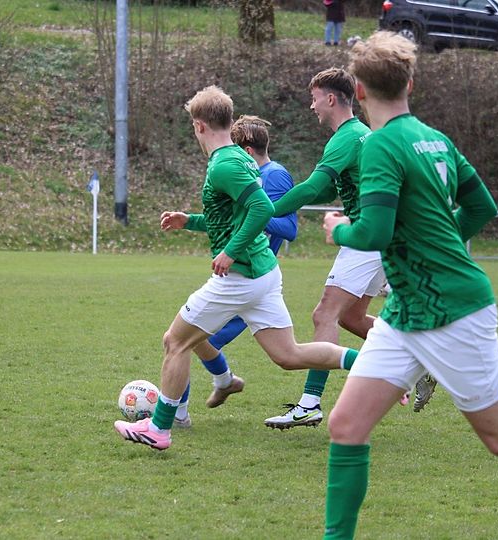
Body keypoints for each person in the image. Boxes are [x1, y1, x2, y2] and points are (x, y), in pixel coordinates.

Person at [321, 32, 498, 538]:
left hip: (451, 309)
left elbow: (373, 233)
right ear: (411, 83)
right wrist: (437, 244)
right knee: (346, 426)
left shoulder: (381, 146)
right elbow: (482, 207)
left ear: (360, 91)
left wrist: (337, 230)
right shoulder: (435, 139)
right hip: (406, 311)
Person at [114, 86, 357, 451]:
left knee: (175, 342)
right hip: (263, 273)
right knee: (288, 355)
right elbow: (232, 217)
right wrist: (190, 221)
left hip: (240, 277)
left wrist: (230, 251)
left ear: (199, 126)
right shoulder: (240, 159)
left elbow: (261, 208)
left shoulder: (225, 164)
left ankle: (160, 427)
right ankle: (377, 363)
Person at [265, 67, 435, 429]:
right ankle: (417, 359)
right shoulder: (358, 135)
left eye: (314, 99)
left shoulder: (346, 136)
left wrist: (264, 209)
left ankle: (310, 403)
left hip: (367, 236)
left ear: (330, 99)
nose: (312, 106)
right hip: (383, 235)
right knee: (352, 317)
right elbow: (328, 189)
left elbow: (313, 188)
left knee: (324, 314)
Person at [175, 114, 299, 427]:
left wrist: (250, 224)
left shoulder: (274, 175)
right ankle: (223, 383)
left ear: (245, 150)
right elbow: (231, 219)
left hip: (250, 275)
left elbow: (287, 227)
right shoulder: (240, 168)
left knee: (185, 341)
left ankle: (178, 413)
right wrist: (191, 221)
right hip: (246, 274)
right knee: (195, 341)